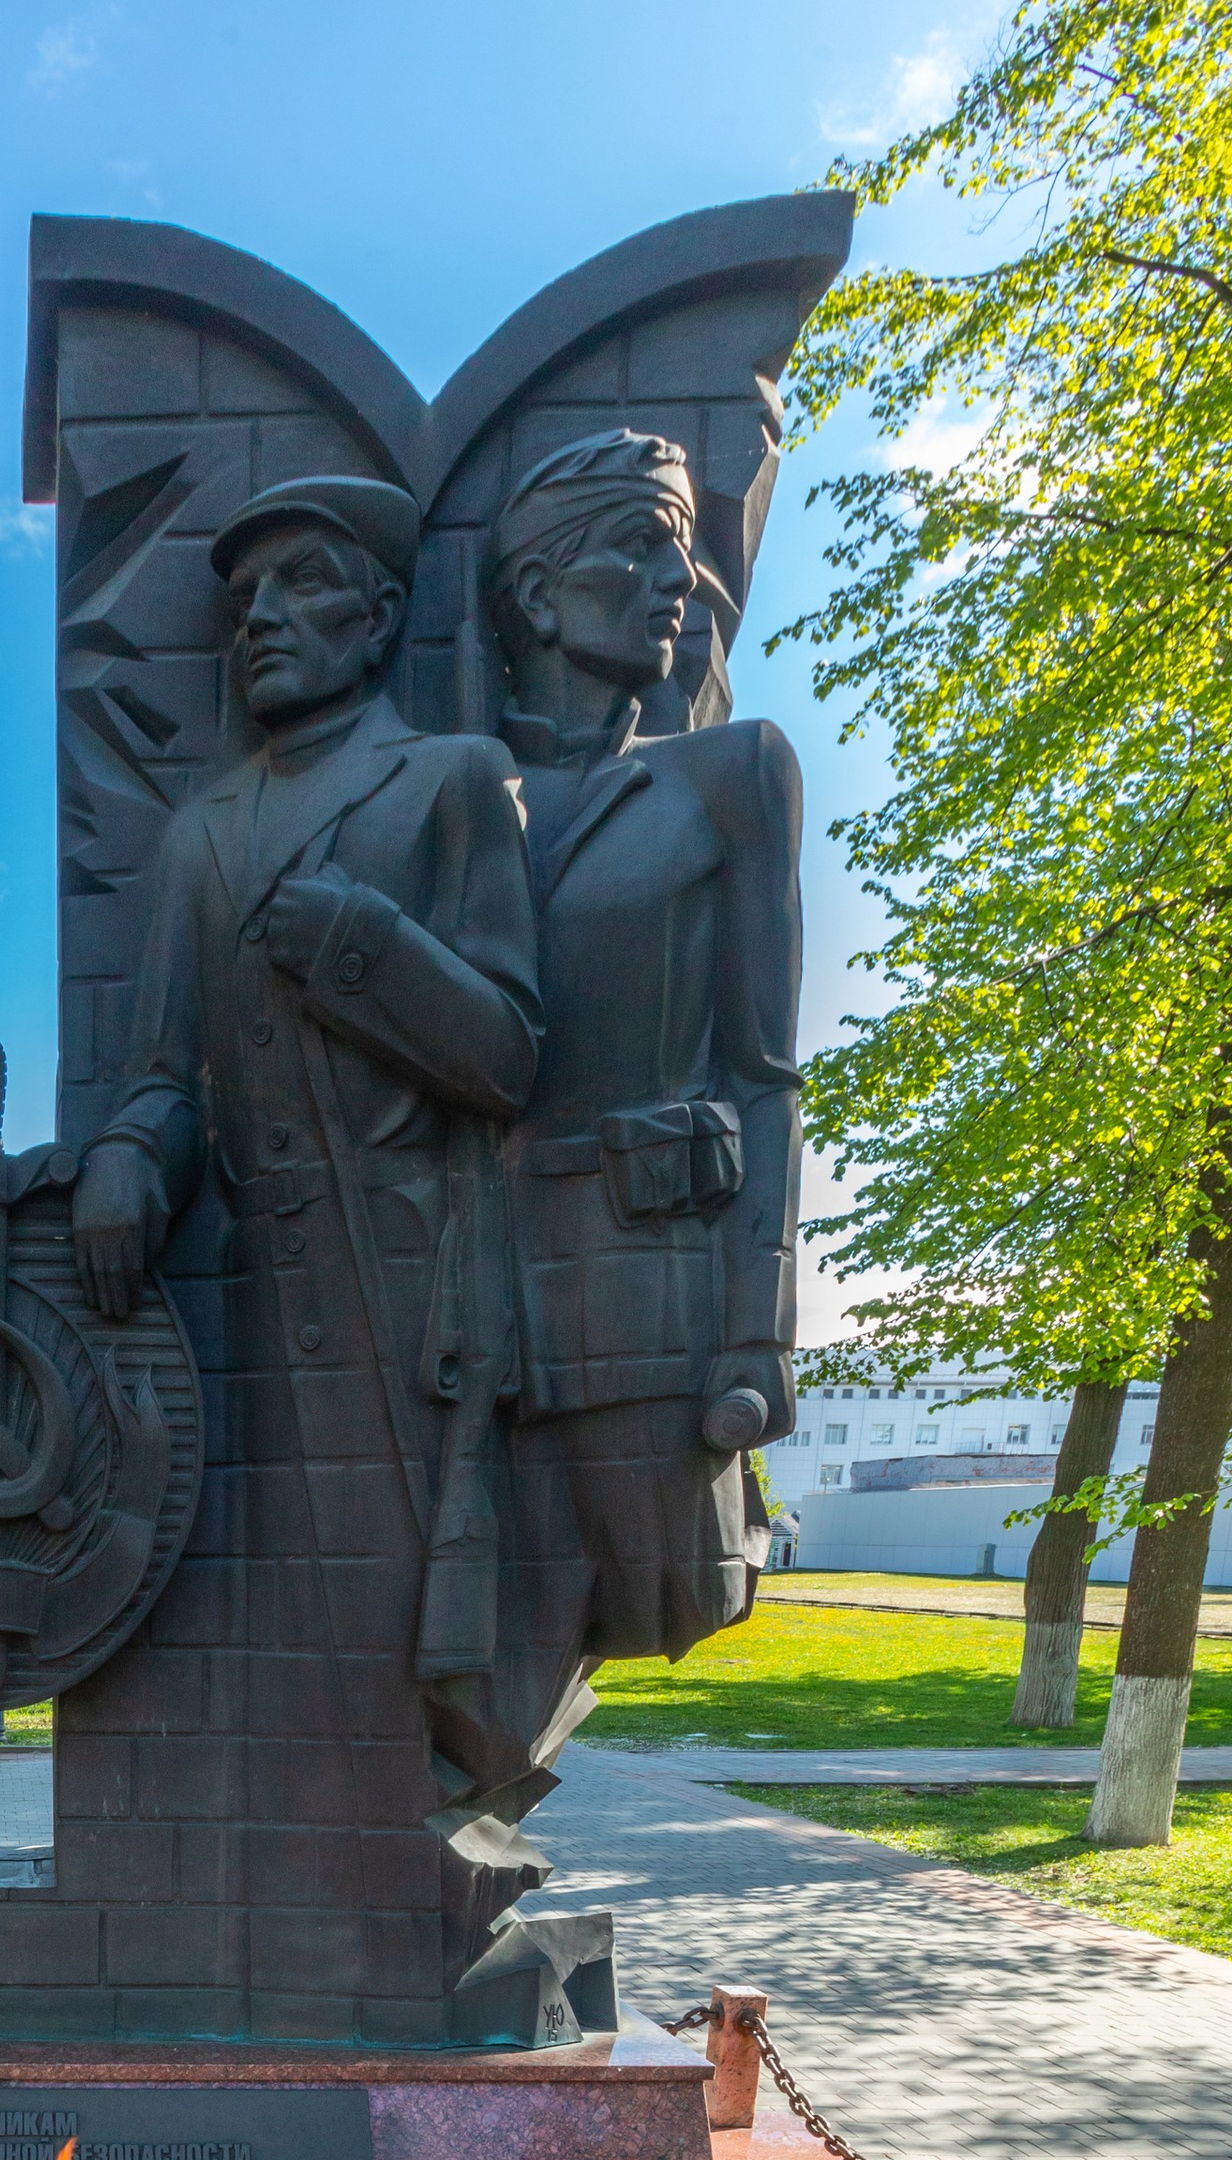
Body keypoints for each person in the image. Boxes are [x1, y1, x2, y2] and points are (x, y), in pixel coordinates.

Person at [64, 475, 547, 2042]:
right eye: (241, 601)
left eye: (297, 588)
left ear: (381, 613)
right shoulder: (203, 830)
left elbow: (510, 1055)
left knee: (416, 1639)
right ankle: (299, 1945)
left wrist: (353, 940)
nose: (258, 620)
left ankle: (417, 1929)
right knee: (275, 1645)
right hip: (254, 1320)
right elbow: (165, 1070)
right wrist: (134, 1153)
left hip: (418, 1300)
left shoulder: (454, 782)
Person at [485, 426, 802, 1694]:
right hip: (484, 1301)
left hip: (655, 1300)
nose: (676, 580)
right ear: (534, 593)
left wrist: (756, 1336)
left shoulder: (728, 777)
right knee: (481, 1655)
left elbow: (764, 1076)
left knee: (654, 1598)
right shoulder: (450, 792)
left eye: (680, 547)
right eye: (637, 546)